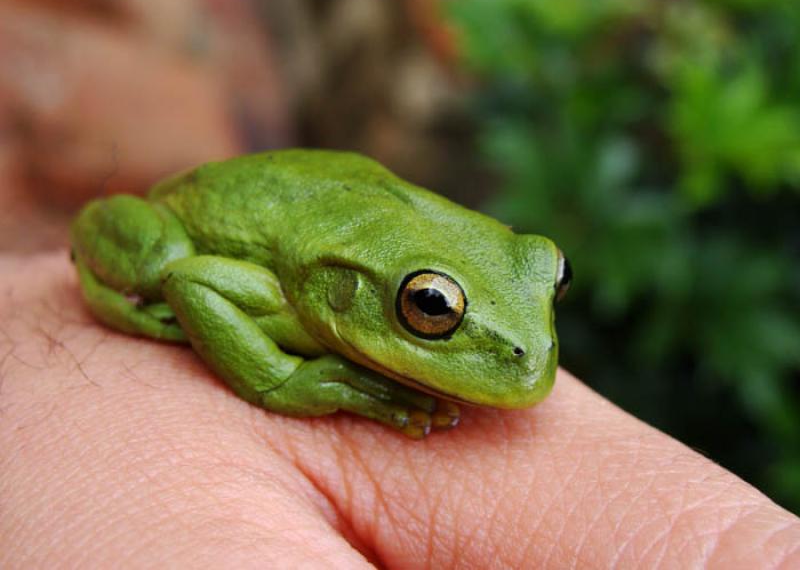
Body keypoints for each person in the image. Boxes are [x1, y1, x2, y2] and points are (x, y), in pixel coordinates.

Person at [1, 253, 798, 568]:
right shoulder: (301, 294)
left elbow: (514, 324)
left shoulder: (518, 340)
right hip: (224, 233)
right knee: (155, 257)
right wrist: (284, 381)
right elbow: (195, 282)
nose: (535, 353)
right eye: (432, 308)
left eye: (548, 282)